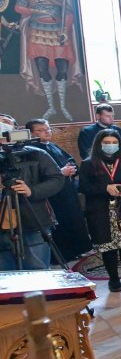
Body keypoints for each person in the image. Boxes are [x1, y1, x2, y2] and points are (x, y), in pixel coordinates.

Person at [78, 129, 121, 290]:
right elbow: (83, 187)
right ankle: (113, 279)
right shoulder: (88, 164)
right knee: (109, 246)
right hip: (102, 210)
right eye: (107, 143)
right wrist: (105, 188)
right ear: (99, 144)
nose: (111, 145)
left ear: (119, 144)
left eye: (114, 143)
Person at [0, 114, 64, 270]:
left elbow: (57, 178)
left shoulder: (35, 153)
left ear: (16, 129)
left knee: (37, 268)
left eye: (5, 123)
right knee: (5, 273)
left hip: (32, 218)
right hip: (3, 222)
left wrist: (32, 191)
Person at [26, 117, 92, 261]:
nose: (47, 132)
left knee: (74, 219)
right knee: (61, 223)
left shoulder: (52, 145)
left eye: (48, 129)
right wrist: (60, 172)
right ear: (31, 133)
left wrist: (71, 167)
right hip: (52, 195)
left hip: (67, 191)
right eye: (41, 130)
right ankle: (64, 255)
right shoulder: (31, 151)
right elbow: (34, 175)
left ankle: (79, 249)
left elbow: (69, 159)